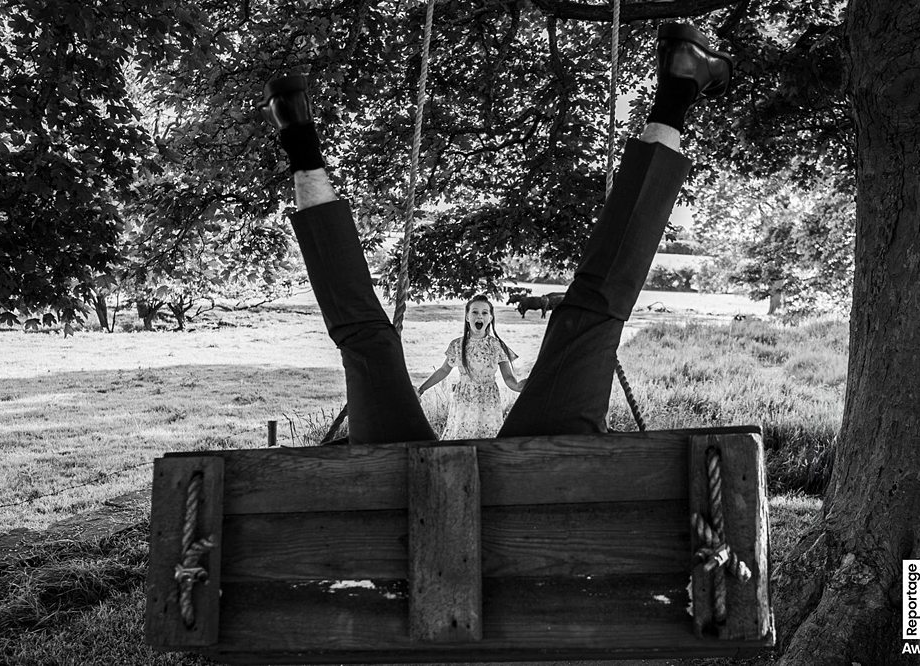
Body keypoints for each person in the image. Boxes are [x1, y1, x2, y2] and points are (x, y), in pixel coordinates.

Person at [260, 22, 732, 445]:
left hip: (462, 482)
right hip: (535, 473)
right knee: (363, 337)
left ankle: (677, 89)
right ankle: (298, 138)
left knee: (593, 316)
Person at [416, 294, 526, 440]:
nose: (479, 316)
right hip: (464, 401)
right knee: (462, 438)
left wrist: (518, 386)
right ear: (467, 317)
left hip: (489, 402)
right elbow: (443, 370)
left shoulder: (497, 346)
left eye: (484, 313)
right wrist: (421, 389)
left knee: (487, 440)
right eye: (474, 312)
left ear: (490, 318)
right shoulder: (457, 345)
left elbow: (508, 377)